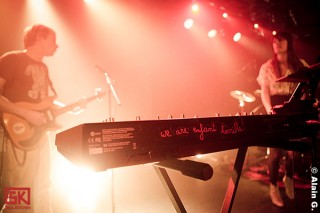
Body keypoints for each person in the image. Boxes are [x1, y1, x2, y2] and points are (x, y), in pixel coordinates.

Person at [0, 24, 58, 213]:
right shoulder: (12, 59)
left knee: (44, 186)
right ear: (39, 38)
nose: (57, 45)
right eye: (52, 40)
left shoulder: (43, 67)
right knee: (20, 191)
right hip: (18, 132)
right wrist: (26, 114)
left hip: (40, 133)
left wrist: (73, 107)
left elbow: (42, 103)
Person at [256, 32, 308, 207]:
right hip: (276, 110)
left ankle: (289, 178)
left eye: (281, 40)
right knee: (276, 152)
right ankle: (273, 186)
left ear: (289, 42)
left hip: (293, 110)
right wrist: (270, 110)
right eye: (274, 41)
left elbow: (305, 90)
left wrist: (301, 110)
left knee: (293, 152)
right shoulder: (267, 67)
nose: (277, 43)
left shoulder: (299, 65)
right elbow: (264, 91)